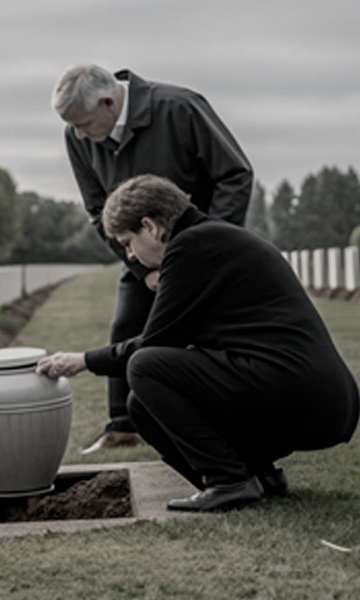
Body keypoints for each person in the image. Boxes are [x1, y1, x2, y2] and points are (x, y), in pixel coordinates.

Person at [36, 175, 359, 511]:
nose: (130, 256)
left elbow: (155, 345)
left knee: (145, 367)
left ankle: (230, 482)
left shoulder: (192, 246)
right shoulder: (209, 239)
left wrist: (85, 360)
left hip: (301, 393)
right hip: (313, 395)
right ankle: (257, 475)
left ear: (149, 226)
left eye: (128, 242)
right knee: (141, 407)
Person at [51, 64, 254, 454]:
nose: (78, 135)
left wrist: (209, 245)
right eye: (72, 127)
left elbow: (234, 174)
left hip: (204, 249)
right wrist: (144, 268)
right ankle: (123, 426)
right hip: (141, 258)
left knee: (204, 336)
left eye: (84, 123)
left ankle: (226, 421)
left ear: (109, 102)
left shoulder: (180, 107)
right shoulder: (77, 135)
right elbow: (98, 209)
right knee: (127, 322)